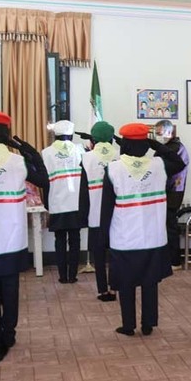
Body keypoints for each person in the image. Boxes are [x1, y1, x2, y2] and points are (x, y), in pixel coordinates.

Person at [101, 123, 186, 336]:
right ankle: (148, 324)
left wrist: (103, 237)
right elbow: (179, 162)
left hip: (124, 238)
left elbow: (106, 209)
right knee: (150, 281)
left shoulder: (113, 169)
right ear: (146, 144)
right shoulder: (159, 165)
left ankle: (128, 325)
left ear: (124, 144)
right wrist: (156, 145)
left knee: (126, 283)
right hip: (152, 237)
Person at [0, 111, 48, 363]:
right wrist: (30, 152)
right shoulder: (17, 162)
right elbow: (43, 179)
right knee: (10, 287)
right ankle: (9, 334)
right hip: (11, 239)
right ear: (6, 133)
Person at [42, 120, 89, 284]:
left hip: (57, 202)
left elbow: (44, 181)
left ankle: (62, 276)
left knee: (59, 240)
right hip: (76, 202)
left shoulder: (46, 153)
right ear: (70, 134)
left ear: (55, 135)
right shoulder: (80, 150)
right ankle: (72, 276)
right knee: (75, 240)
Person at [81, 121, 119, 301]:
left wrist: (83, 216)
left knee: (98, 253)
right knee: (115, 253)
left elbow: (83, 192)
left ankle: (103, 290)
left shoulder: (86, 158)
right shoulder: (120, 155)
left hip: (95, 214)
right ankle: (114, 288)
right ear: (112, 138)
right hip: (117, 215)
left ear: (93, 140)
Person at [154, 120, 189, 269]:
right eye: (156, 133)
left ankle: (174, 261)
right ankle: (166, 258)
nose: (158, 136)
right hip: (164, 191)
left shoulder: (176, 148)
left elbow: (168, 168)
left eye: (160, 133)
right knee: (165, 226)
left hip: (173, 192)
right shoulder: (165, 147)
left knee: (170, 227)